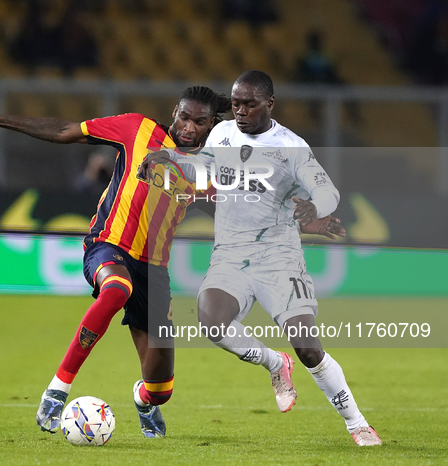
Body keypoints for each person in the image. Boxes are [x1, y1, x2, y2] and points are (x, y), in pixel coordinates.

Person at [0, 86, 341, 439]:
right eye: (183, 117)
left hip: (153, 269)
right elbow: (65, 131)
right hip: (108, 244)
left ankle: (144, 402)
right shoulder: (135, 129)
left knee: (161, 389)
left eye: (199, 121)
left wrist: (313, 219)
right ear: (174, 111)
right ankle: (57, 390)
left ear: (212, 126)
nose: (188, 127)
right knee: (115, 290)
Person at [145, 70, 381, 446]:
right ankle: (275, 363)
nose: (239, 111)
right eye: (236, 104)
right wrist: (167, 160)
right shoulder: (221, 134)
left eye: (249, 104)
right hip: (230, 254)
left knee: (307, 347)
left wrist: (314, 209)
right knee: (212, 322)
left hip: (278, 257)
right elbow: (202, 168)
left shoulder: (290, 146)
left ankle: (357, 424)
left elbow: (326, 189)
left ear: (269, 104)